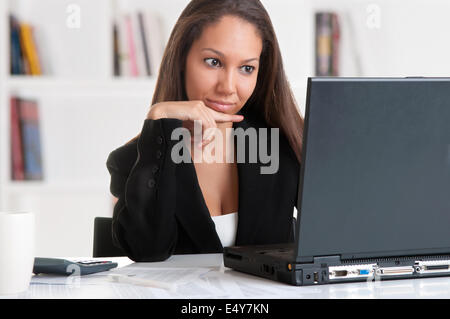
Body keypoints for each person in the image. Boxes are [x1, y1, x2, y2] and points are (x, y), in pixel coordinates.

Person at [106, 0, 304, 262]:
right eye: (213, 62)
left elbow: (340, 232)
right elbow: (147, 251)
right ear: (181, 60)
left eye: (247, 68)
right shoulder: (135, 161)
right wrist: (159, 117)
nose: (228, 87)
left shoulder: (286, 147)